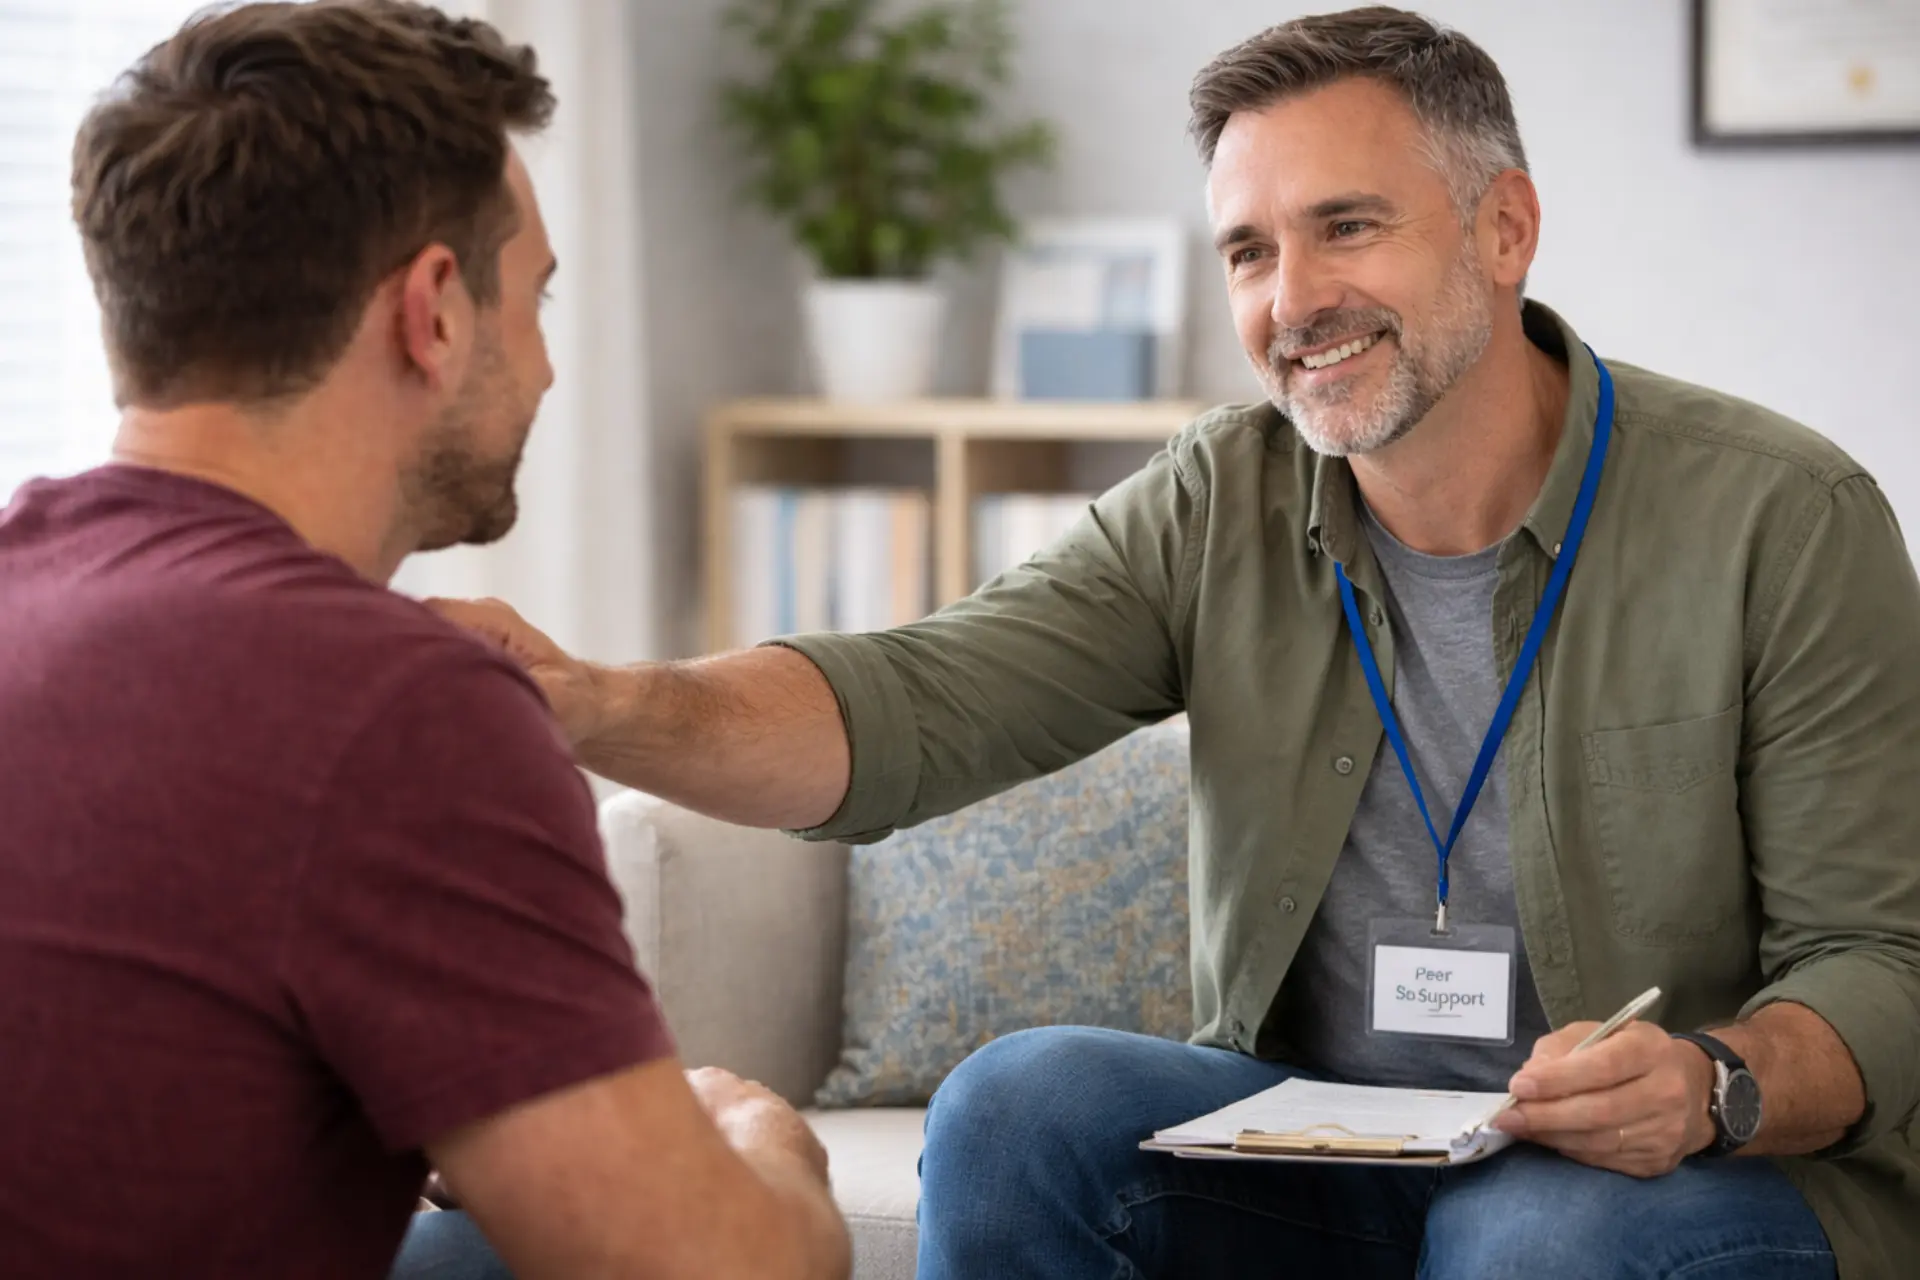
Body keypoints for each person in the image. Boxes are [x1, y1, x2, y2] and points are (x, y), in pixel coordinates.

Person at [439, 7, 1920, 1278]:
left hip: (1679, 1182)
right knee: (1016, 1103)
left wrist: (1713, 1085)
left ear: (1505, 229)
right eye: (1247, 251)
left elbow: (1884, 962)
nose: (1293, 302)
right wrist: (590, 702)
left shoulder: (1783, 515)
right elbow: (919, 698)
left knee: (1531, 1239)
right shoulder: (1221, 496)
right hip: (1338, 1145)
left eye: (1347, 225)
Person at [0, 3, 851, 1279]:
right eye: (537, 298)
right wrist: (756, 1131)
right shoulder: (396, 708)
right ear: (437, 312)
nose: (553, 368)